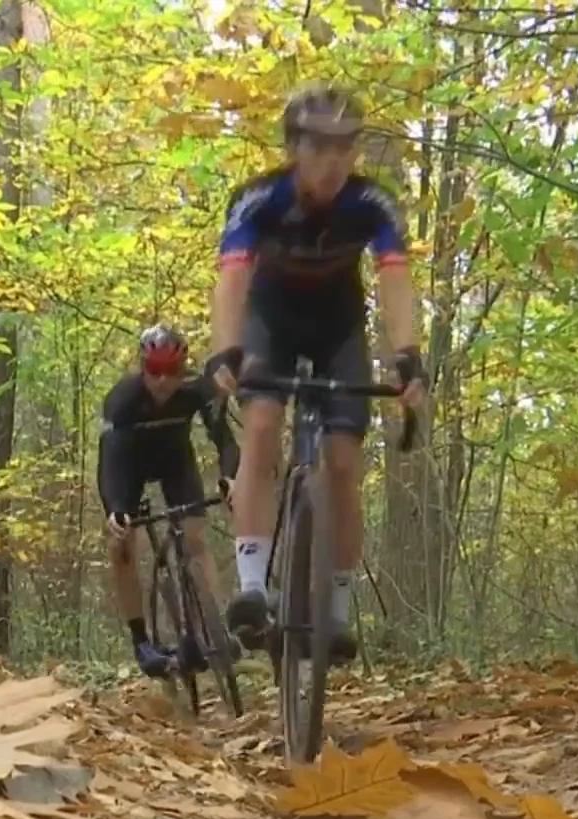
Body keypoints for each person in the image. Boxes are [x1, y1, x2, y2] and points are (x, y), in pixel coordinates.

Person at [205, 84, 428, 665]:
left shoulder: (371, 204)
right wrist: (226, 351)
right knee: (259, 425)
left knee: (344, 464)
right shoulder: (258, 199)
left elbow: (395, 279)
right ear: (293, 147)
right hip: (270, 323)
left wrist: (406, 355)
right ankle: (253, 587)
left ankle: (334, 611)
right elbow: (231, 279)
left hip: (338, 329)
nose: (333, 161)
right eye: (319, 147)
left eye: (346, 147)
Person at [98, 325, 241, 677]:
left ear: (184, 369)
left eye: (172, 372)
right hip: (128, 466)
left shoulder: (198, 390)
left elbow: (223, 438)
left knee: (194, 537)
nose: (163, 382)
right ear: (142, 367)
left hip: (176, 461)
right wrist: (116, 507)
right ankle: (141, 641)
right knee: (121, 546)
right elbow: (111, 460)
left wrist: (230, 476)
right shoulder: (123, 399)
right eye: (154, 372)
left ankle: (210, 627)